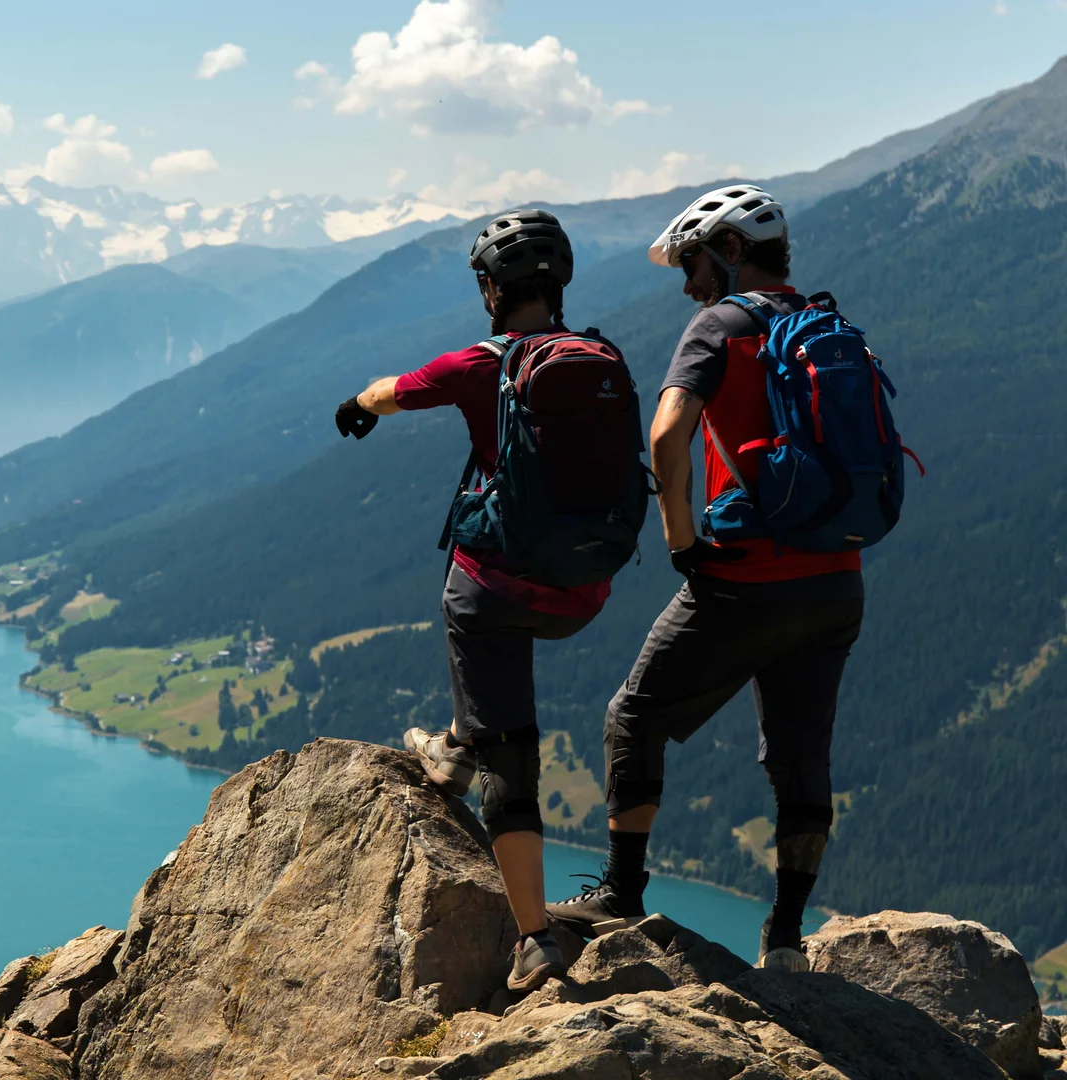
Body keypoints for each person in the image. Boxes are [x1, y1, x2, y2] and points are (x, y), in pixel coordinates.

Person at [545, 185, 865, 972]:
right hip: (836, 584)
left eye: (691, 262)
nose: (688, 284)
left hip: (743, 577)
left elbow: (666, 432)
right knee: (802, 756)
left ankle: (620, 893)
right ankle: (786, 939)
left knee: (633, 716)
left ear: (726, 251)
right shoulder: (826, 324)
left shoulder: (719, 325)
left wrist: (680, 537)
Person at [335, 209, 637, 993]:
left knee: (511, 739)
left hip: (498, 594)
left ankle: (534, 936)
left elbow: (390, 391)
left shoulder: (482, 364)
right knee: (495, 629)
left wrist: (356, 407)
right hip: (584, 591)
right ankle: (462, 742)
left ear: (491, 289)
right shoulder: (601, 357)